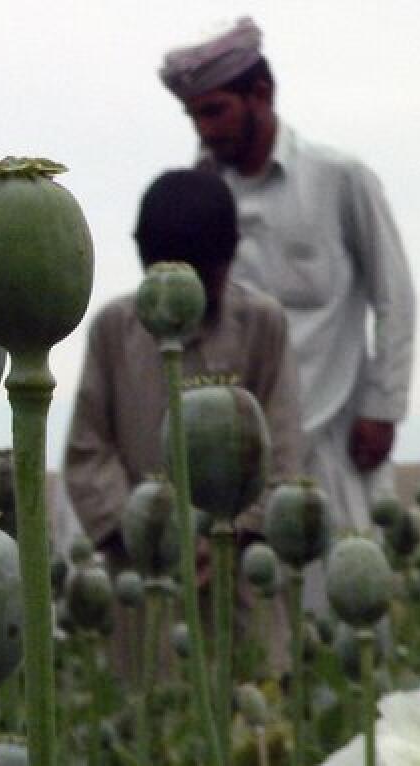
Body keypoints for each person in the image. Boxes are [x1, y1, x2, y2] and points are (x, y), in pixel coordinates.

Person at [159, 18, 416, 611]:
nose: (204, 130)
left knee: (344, 618)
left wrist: (383, 407)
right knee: (245, 635)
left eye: (215, 111)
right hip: (235, 460)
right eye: (194, 117)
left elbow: (394, 296)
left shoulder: (339, 179)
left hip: (333, 442)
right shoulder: (202, 198)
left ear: (261, 95)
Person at [59, 169, 301, 678]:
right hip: (145, 581)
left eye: (200, 276)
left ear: (230, 256)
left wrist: (225, 534)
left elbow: (281, 453)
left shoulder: (264, 325)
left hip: (241, 582)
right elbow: (87, 453)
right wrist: (150, 531)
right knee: (159, 726)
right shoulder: (113, 331)